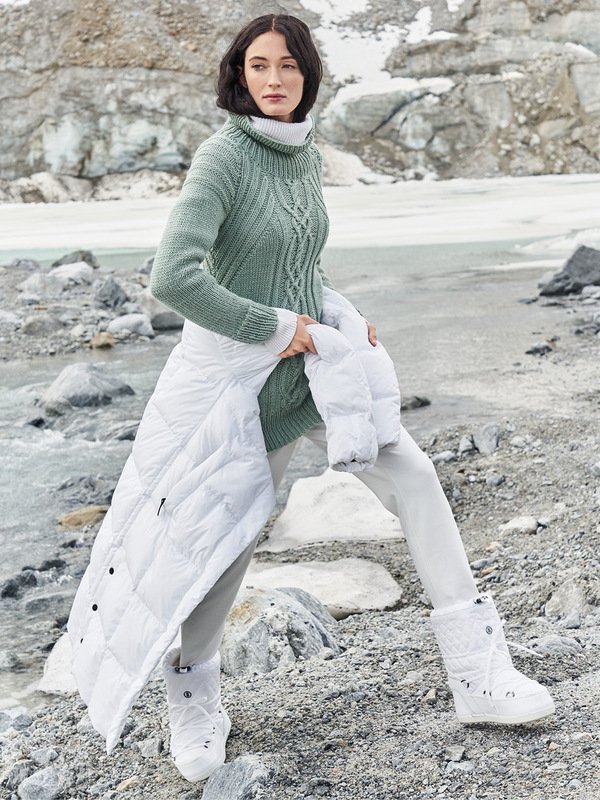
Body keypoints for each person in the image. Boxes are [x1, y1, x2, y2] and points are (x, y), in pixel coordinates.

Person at [67, 13, 555, 785]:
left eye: (288, 66)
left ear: (308, 75)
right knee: (225, 542)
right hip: (242, 384)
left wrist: (338, 313)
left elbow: (294, 261)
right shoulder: (224, 157)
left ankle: (479, 674)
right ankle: (193, 695)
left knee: (416, 478)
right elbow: (174, 279)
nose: (273, 79)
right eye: (259, 65)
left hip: (313, 367)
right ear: (239, 74)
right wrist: (275, 327)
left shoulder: (303, 155)